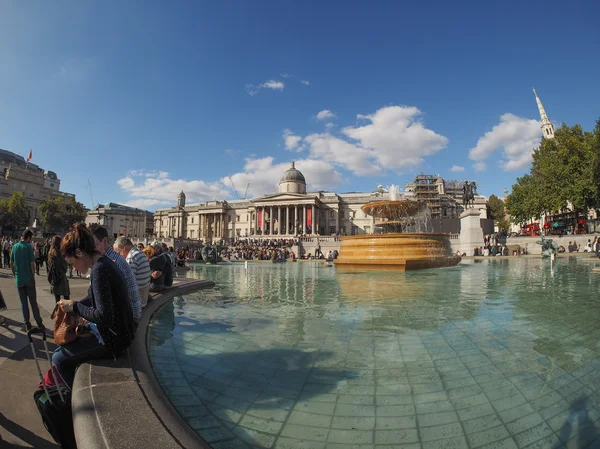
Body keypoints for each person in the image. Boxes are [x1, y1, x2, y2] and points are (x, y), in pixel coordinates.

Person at [53, 223, 134, 389]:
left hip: (114, 340)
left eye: (71, 262)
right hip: (120, 334)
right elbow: (92, 297)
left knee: (58, 359)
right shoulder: (104, 263)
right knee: (61, 350)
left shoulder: (99, 270)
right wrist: (69, 305)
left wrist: (75, 307)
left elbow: (104, 317)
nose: (73, 267)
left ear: (79, 252)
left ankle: (71, 405)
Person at [88, 225, 142, 329]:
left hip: (128, 320)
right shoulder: (112, 258)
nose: (91, 250)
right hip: (132, 314)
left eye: (94, 245)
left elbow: (103, 310)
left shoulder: (107, 262)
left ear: (104, 241)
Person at [10, 229, 43, 331]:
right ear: (28, 237)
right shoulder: (28, 247)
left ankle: (27, 323)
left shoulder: (15, 247)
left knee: (23, 303)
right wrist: (33, 275)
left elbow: (11, 263)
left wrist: (14, 274)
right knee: (33, 303)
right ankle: (39, 322)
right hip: (28, 279)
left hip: (19, 279)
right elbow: (32, 264)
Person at [114, 237, 151, 308]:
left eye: (118, 252)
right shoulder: (140, 254)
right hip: (143, 297)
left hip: (135, 303)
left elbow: (126, 281)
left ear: (122, 247)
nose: (118, 255)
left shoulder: (131, 257)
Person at [47, 235, 70, 303]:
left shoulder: (50, 252)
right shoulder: (58, 252)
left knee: (57, 299)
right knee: (66, 298)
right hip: (61, 277)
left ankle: (58, 312)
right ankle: (66, 313)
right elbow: (63, 265)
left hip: (54, 277)